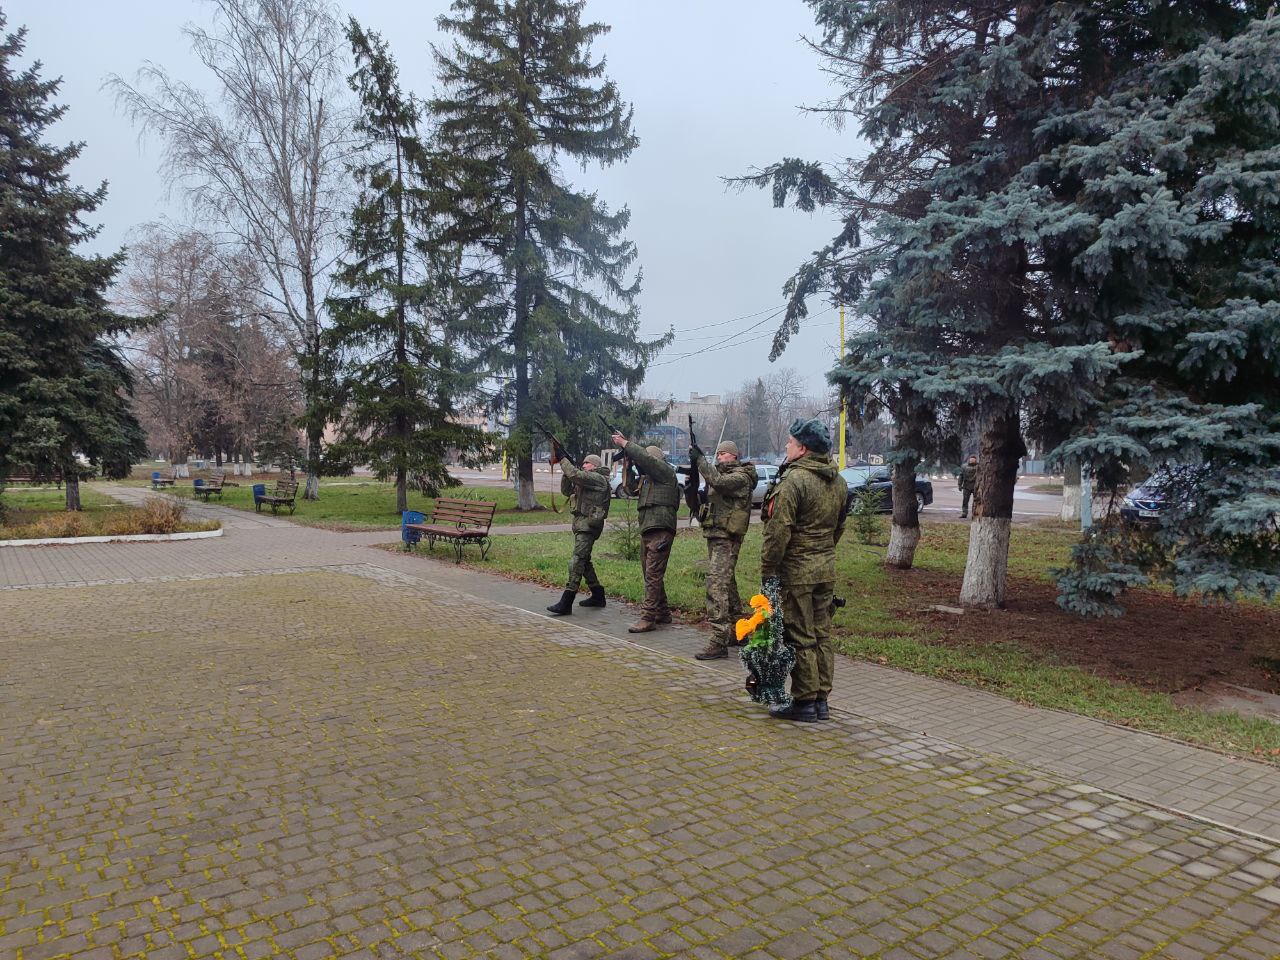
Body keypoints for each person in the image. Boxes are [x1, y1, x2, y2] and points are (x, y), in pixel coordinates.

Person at [759, 418, 847, 722]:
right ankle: (821, 699)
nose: (786, 446)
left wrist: (768, 569)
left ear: (803, 448)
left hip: (796, 572)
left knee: (799, 634)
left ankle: (804, 701)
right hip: (825, 569)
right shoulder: (839, 482)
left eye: (790, 442)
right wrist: (822, 552)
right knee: (822, 633)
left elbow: (778, 531)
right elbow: (839, 527)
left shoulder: (795, 481)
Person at [689, 440, 757, 660]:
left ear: (734, 456)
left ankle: (719, 640)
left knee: (716, 584)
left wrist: (700, 460)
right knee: (728, 583)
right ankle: (739, 632)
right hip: (716, 534)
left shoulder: (741, 477)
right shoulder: (722, 475)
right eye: (717, 453)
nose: (719, 456)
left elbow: (718, 481)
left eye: (723, 454)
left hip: (727, 537)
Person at [610, 431, 679, 632]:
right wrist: (628, 466)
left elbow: (647, 460)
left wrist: (625, 443)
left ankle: (648, 617)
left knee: (652, 574)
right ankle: (663, 612)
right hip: (648, 529)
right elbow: (630, 488)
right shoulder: (647, 480)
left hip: (661, 530)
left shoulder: (665, 473)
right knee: (651, 573)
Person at [546, 447, 611, 616]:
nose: (584, 465)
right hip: (582, 525)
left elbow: (575, 475)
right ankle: (598, 595)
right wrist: (566, 470)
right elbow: (566, 490)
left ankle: (566, 602)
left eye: (587, 463)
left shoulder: (598, 479)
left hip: (589, 526)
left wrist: (563, 459)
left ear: (595, 466)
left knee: (576, 561)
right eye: (583, 463)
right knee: (584, 561)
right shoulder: (585, 480)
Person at [958, 454, 978, 518]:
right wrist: (959, 485)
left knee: (977, 500)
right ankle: (964, 512)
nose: (972, 460)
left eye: (973, 459)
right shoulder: (964, 466)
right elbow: (961, 476)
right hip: (966, 486)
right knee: (965, 500)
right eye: (971, 459)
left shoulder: (979, 466)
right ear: (969, 459)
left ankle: (975, 513)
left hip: (976, 486)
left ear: (976, 460)